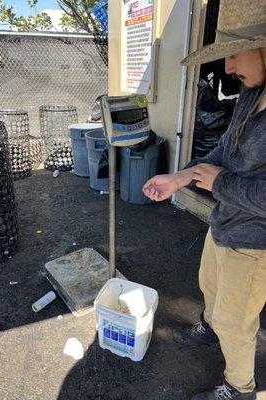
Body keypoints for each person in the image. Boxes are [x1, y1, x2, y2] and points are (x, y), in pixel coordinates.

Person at [143, 1, 266, 399]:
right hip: (224, 222)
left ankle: (240, 388)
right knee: (209, 289)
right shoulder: (252, 94)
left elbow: (225, 175)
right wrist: (180, 178)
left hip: (255, 242)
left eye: (233, 54)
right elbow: (223, 154)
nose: (228, 68)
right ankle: (211, 330)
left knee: (236, 321)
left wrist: (222, 185)